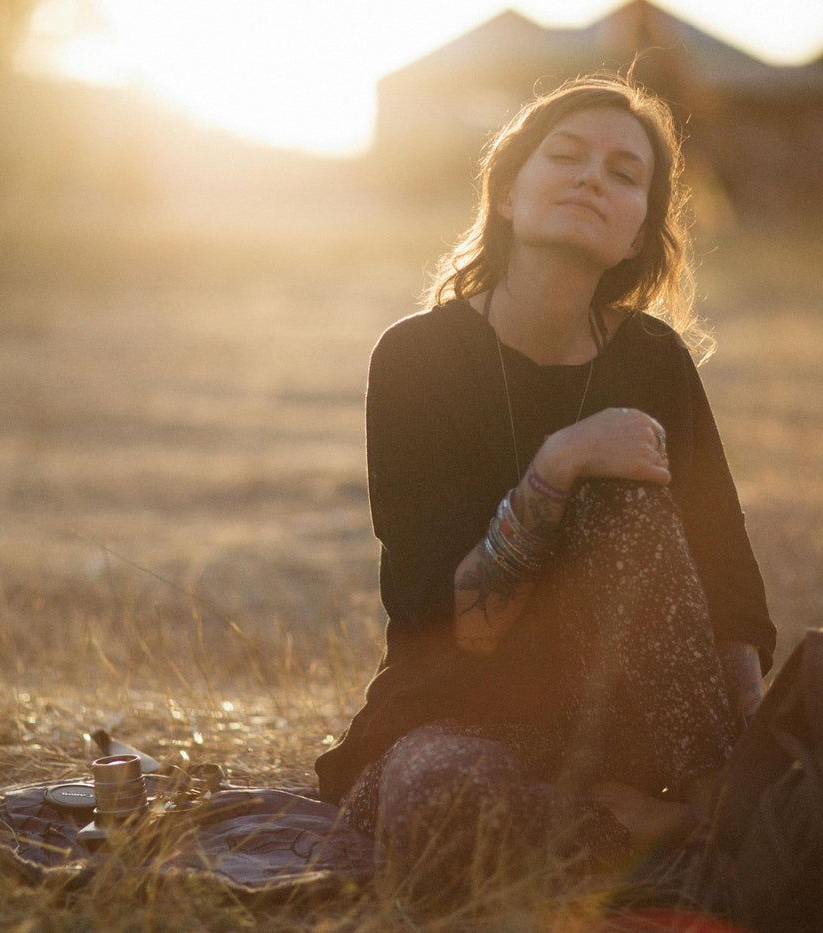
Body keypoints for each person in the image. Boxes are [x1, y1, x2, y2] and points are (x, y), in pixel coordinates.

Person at [315, 74, 776, 894]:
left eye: (624, 173)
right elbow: (465, 625)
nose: (593, 177)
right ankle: (651, 827)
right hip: (461, 713)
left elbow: (726, 577)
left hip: (643, 728)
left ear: (638, 233)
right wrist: (556, 466)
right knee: (436, 804)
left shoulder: (653, 360)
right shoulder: (418, 359)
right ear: (506, 194)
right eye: (565, 155)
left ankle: (703, 801)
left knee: (627, 494)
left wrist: (743, 745)